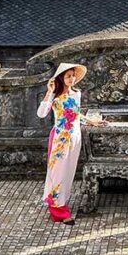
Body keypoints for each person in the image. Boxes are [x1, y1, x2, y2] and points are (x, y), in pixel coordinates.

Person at [37, 62, 105, 224]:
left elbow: (76, 113)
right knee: (57, 173)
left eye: (73, 75)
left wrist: (91, 121)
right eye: (68, 76)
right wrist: (49, 92)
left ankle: (62, 202)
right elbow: (41, 114)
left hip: (75, 136)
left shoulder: (76, 93)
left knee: (69, 173)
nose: (72, 79)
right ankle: (58, 211)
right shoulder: (55, 96)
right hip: (60, 139)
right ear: (61, 78)